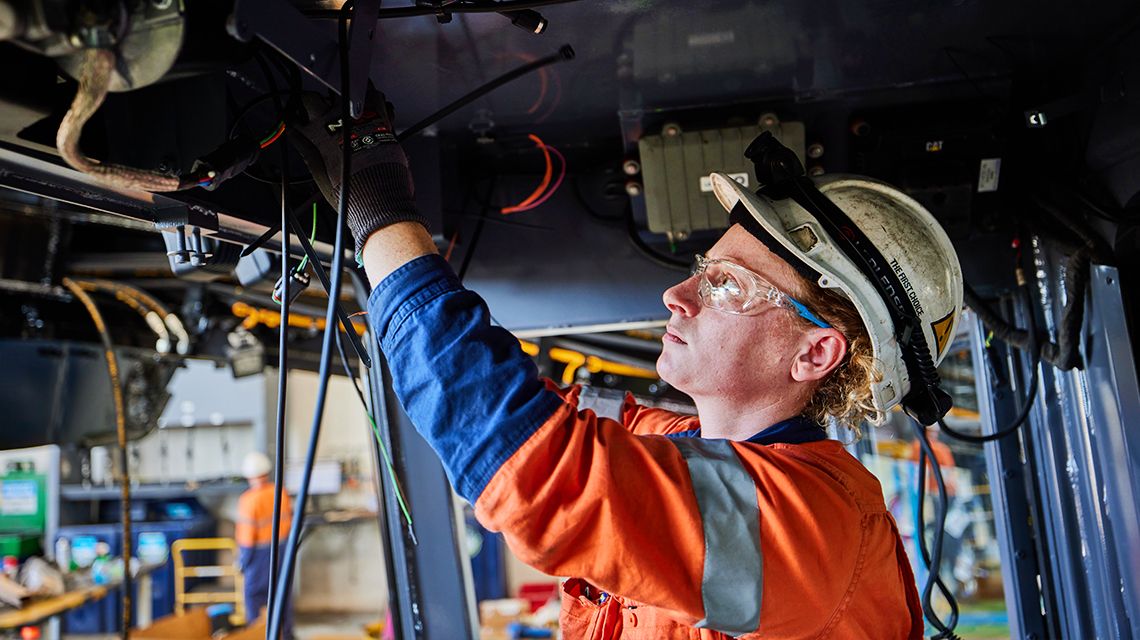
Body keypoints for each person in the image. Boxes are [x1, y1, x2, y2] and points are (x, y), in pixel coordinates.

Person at [291, 90, 963, 639]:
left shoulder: (814, 527)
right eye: (705, 269)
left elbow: (532, 468)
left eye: (726, 285)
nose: (678, 294)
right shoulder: (684, 449)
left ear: (815, 352)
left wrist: (379, 209)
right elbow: (545, 423)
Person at [235, 451, 293, 637]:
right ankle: (287, 634)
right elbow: (288, 522)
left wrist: (243, 561)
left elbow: (247, 537)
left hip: (258, 554)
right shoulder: (280, 492)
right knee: (282, 594)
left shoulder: (249, 500)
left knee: (253, 595)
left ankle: (256, 634)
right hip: (282, 549)